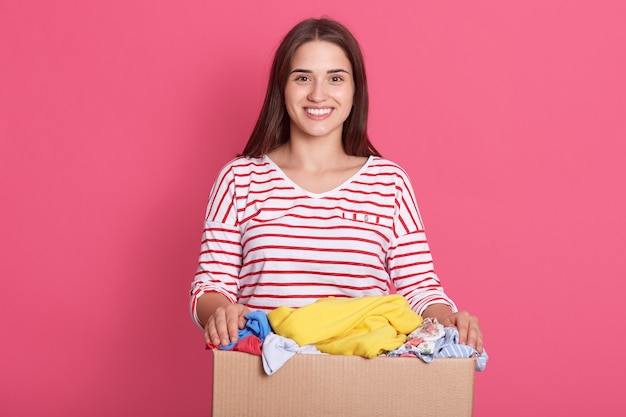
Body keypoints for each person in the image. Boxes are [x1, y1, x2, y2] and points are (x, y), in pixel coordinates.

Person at [190, 17, 484, 354]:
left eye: (335, 78)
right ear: (281, 89)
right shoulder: (239, 179)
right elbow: (210, 286)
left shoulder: (389, 183)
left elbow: (419, 288)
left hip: (361, 379)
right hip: (263, 375)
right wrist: (220, 314)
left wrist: (449, 320)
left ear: (355, 91)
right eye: (302, 78)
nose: (318, 94)